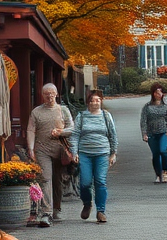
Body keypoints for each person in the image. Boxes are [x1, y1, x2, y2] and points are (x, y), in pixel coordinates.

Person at [26, 83, 74, 228]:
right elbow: (30, 130)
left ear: (57, 94)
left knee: (57, 180)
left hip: (60, 150)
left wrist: (61, 132)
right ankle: (46, 213)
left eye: (52, 93)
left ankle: (56, 208)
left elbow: (72, 128)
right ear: (42, 95)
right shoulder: (36, 112)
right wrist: (31, 148)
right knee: (46, 179)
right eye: (46, 93)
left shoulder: (63, 110)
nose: (49, 95)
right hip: (42, 150)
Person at [71, 90, 117, 224]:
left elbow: (113, 135)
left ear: (101, 101)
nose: (95, 103)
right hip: (85, 153)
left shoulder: (106, 116)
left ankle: (101, 211)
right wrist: (75, 152)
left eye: (98, 100)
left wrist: (113, 153)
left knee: (100, 181)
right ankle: (87, 203)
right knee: (85, 183)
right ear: (88, 102)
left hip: (102, 153)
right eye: (92, 100)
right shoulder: (82, 116)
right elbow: (75, 135)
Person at [140, 82, 167, 183]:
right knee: (155, 154)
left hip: (163, 132)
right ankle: (158, 174)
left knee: (163, 151)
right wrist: (144, 133)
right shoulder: (147, 107)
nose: (158, 95)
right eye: (156, 92)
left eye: (160, 92)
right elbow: (143, 120)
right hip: (151, 133)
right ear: (153, 94)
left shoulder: (166, 106)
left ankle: (164, 171)